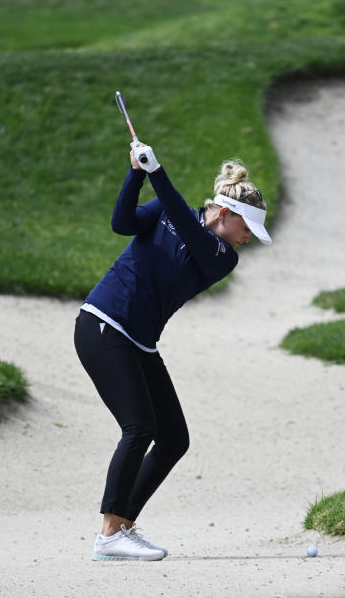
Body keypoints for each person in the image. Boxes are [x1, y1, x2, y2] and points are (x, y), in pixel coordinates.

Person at [74, 140, 272, 561]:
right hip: (103, 326)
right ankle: (109, 534)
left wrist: (159, 172)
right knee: (139, 427)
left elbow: (188, 226)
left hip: (138, 341)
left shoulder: (221, 257)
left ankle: (122, 527)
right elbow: (122, 222)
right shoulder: (166, 212)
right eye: (246, 230)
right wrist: (138, 174)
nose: (247, 240)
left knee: (173, 439)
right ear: (225, 214)